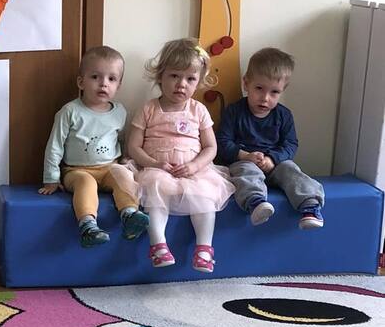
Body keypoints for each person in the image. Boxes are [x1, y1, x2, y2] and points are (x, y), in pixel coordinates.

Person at [125, 38, 234, 273]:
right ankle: (158, 246)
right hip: (158, 169)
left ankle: (204, 249)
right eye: (174, 76)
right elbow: (133, 147)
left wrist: (195, 166)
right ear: (160, 76)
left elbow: (211, 148)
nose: (181, 84)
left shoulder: (198, 110)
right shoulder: (149, 109)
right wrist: (155, 164)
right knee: (154, 191)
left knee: (205, 197)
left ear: (199, 82)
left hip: (193, 171)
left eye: (190, 79)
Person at [39, 45, 149, 246]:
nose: (103, 83)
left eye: (111, 79)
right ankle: (88, 225)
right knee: (86, 183)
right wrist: (51, 178)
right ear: (81, 82)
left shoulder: (120, 112)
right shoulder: (70, 111)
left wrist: (125, 161)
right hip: (77, 170)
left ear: (119, 86)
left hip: (109, 167)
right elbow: (55, 146)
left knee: (124, 176)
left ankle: (129, 214)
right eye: (95, 77)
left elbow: (121, 140)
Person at [215, 47, 324, 229]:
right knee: (246, 172)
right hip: (244, 161)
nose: (265, 98)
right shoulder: (234, 112)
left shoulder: (284, 115)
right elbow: (222, 142)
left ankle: (310, 206)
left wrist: (273, 159)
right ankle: (256, 203)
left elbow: (290, 144)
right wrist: (245, 155)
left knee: (292, 170)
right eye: (259, 88)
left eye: (274, 92)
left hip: (275, 165)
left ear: (282, 91)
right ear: (246, 84)